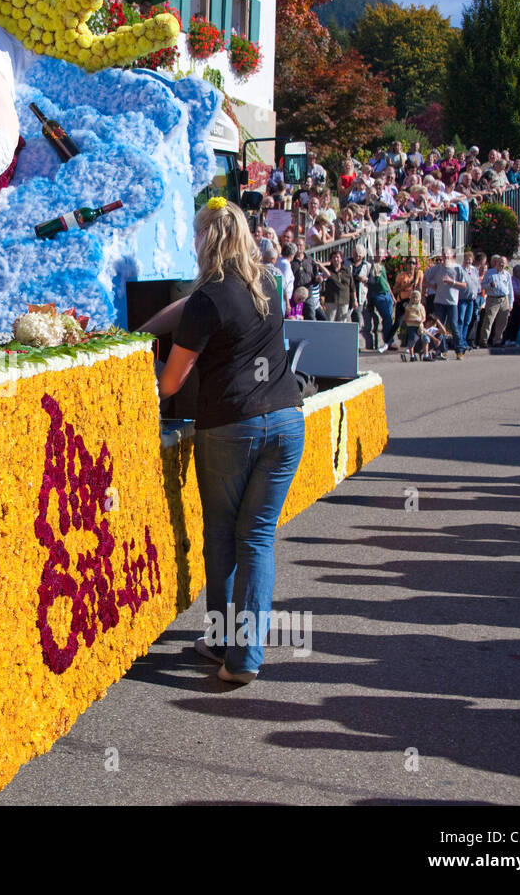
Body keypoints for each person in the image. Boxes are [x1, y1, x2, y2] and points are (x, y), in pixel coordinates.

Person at [157, 197, 304, 685]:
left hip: (230, 428)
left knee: (222, 535)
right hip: (286, 422)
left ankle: (227, 645)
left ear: (205, 241)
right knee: (257, 538)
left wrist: (147, 352)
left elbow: (172, 384)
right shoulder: (271, 283)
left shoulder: (207, 299)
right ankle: (239, 652)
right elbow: (210, 304)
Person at [425, 249, 466, 357]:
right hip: (439, 301)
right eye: (444, 254)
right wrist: (433, 286)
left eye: (448, 254)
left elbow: (464, 285)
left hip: (452, 302)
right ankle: (443, 350)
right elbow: (425, 279)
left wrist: (451, 282)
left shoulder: (457, 268)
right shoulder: (436, 268)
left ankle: (459, 350)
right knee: (440, 327)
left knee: (454, 326)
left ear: (452, 255)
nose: (445, 256)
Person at [479, 255, 514, 347]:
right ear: (496, 263)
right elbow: (482, 286)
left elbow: (510, 290)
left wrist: (510, 303)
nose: (501, 264)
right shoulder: (490, 273)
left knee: (502, 321)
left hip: (504, 299)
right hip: (493, 299)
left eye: (503, 263)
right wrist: (490, 285)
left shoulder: (507, 274)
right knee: (489, 320)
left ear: (505, 264)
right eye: (500, 262)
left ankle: (497, 340)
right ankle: (484, 340)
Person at [320, 251, 356, 321]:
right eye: (333, 257)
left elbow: (352, 287)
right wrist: (324, 263)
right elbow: (320, 266)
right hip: (331, 300)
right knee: (330, 321)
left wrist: (355, 300)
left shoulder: (346, 270)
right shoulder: (327, 269)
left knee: (342, 322)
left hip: (344, 300)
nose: (336, 259)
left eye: (337, 257)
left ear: (341, 259)